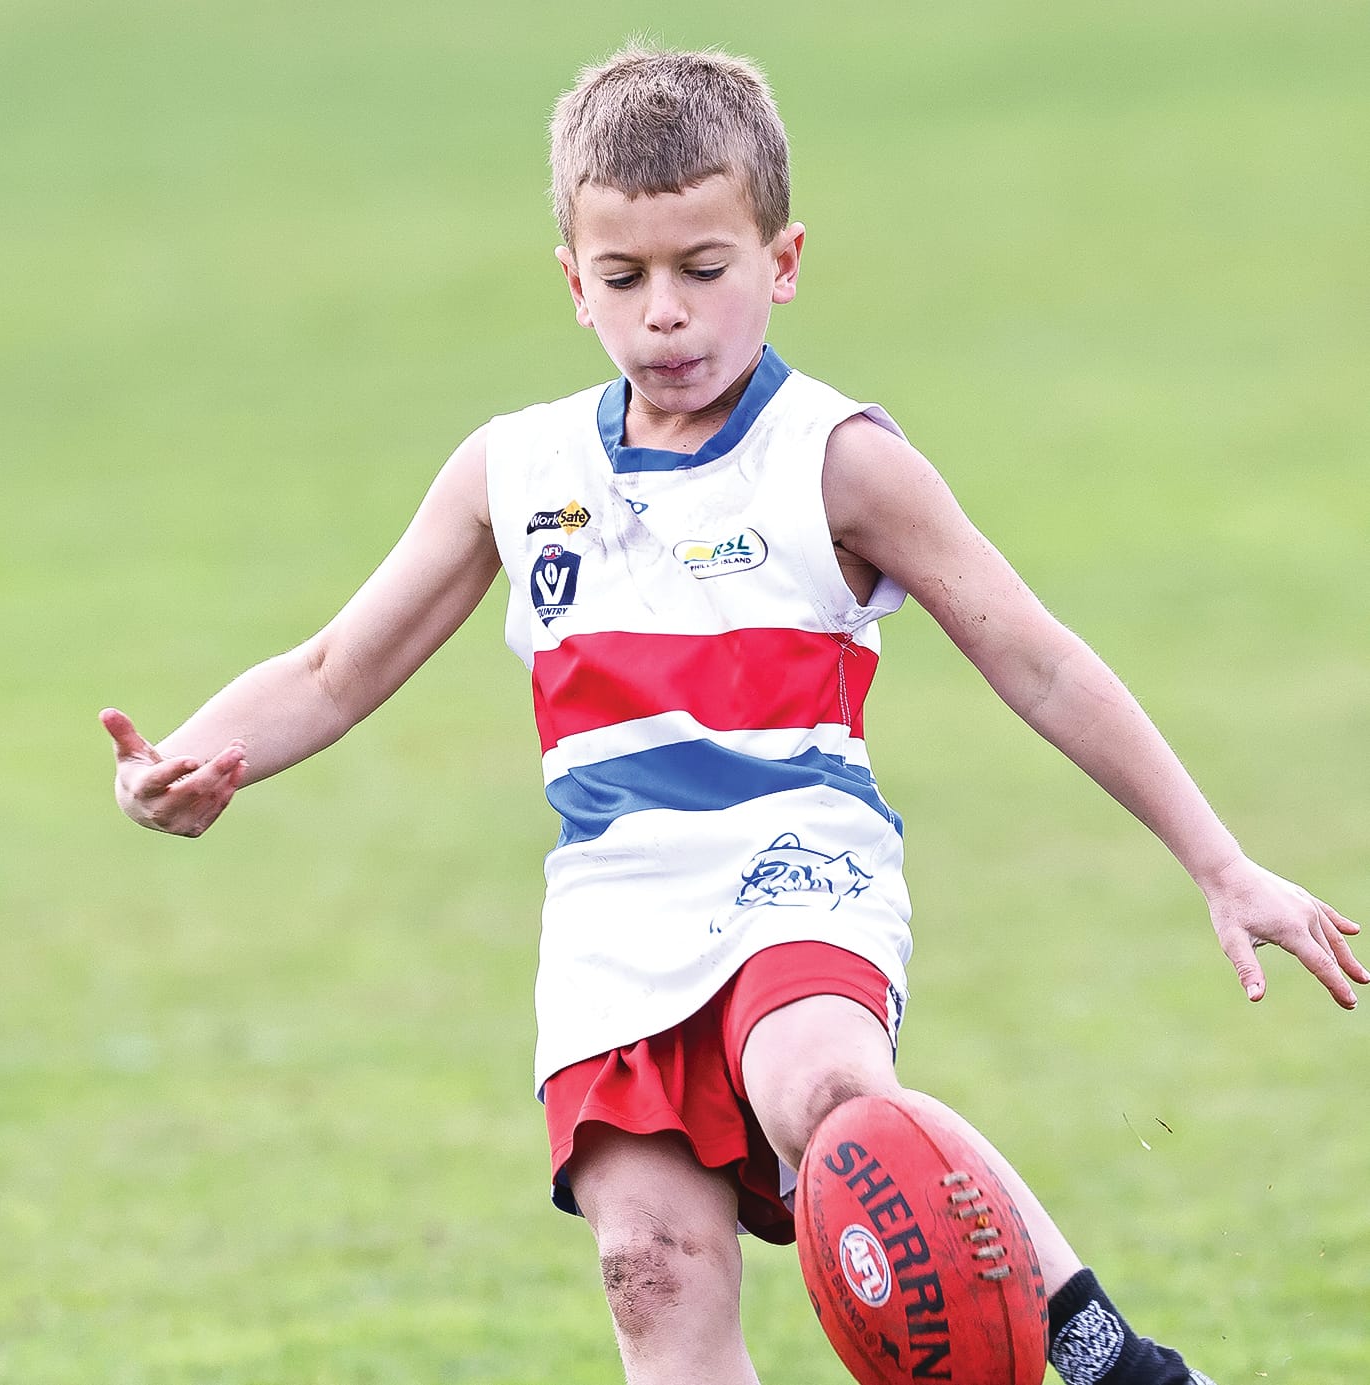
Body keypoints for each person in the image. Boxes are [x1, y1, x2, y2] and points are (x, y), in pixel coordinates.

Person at [99, 44, 1364, 1385]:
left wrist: (1219, 861)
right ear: (571, 281)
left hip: (793, 858)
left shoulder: (838, 459)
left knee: (827, 1089)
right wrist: (188, 759)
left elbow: (1038, 659)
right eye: (625, 277)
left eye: (706, 269)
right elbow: (337, 664)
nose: (668, 316)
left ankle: (1119, 1362)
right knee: (649, 1263)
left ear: (784, 258)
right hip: (612, 910)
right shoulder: (516, 470)